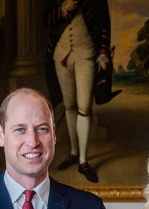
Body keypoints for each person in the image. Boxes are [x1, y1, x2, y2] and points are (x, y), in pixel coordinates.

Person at [44, 0, 113, 183]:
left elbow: (104, 21)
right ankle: (74, 153)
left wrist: (103, 53)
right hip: (61, 54)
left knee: (84, 106)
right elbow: (46, 20)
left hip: (86, 52)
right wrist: (63, 10)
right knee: (69, 105)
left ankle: (83, 160)